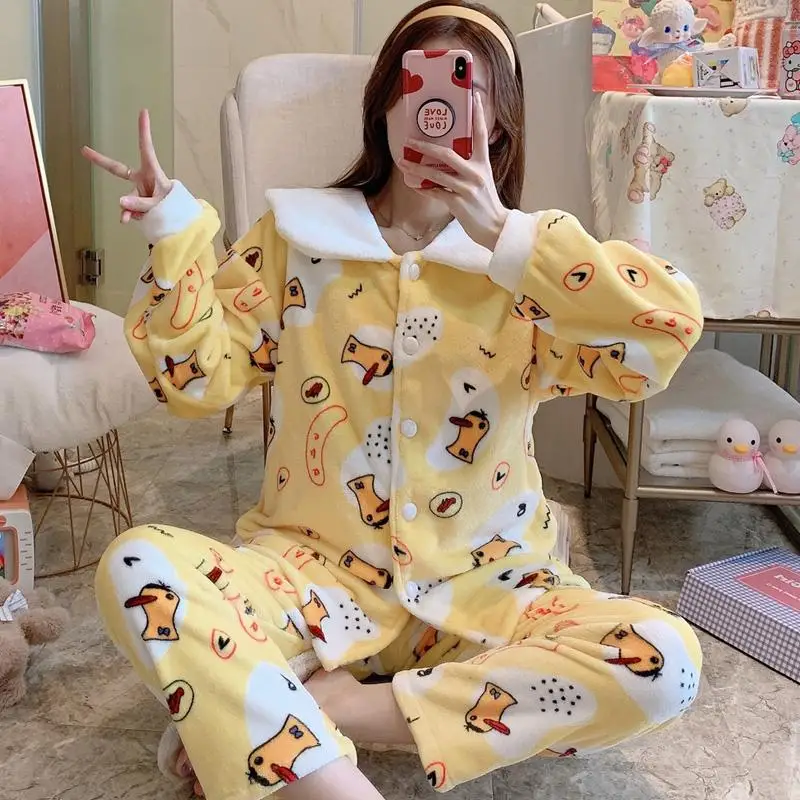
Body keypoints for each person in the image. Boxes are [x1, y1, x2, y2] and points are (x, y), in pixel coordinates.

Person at [84, 2, 704, 799]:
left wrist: (505, 235)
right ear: (383, 103)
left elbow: (658, 340)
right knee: (139, 566)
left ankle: (315, 711)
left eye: (466, 88)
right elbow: (196, 381)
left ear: (499, 121)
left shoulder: (532, 262)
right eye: (417, 83)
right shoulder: (299, 239)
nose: (437, 108)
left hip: (491, 592)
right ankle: (322, 764)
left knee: (664, 662)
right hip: (312, 583)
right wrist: (174, 234)